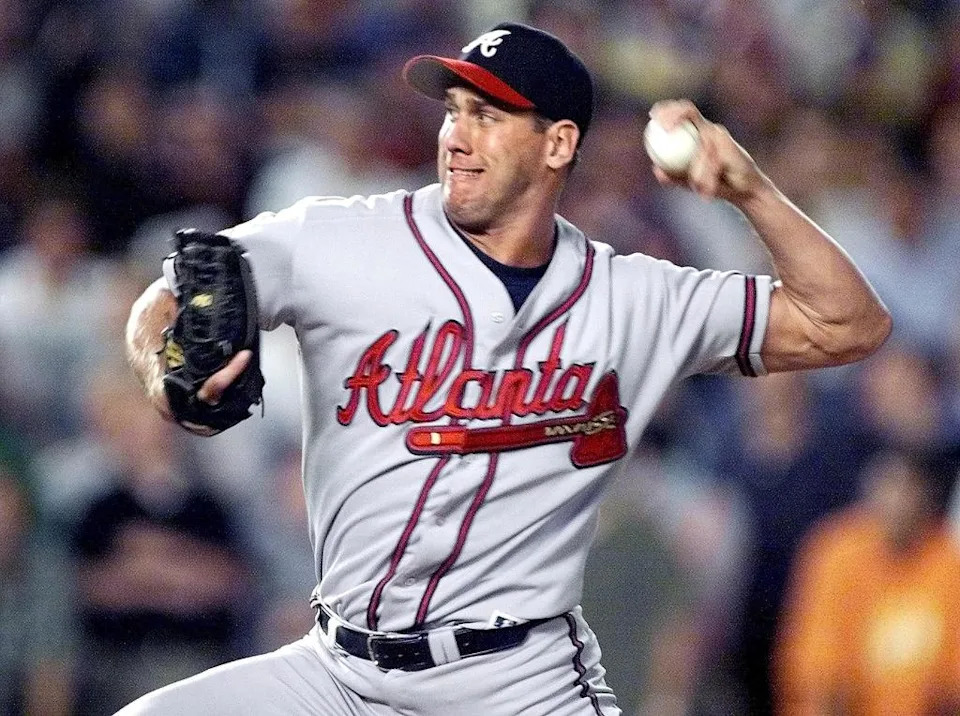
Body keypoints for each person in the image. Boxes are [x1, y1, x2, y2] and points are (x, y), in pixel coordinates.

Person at [122, 21, 891, 716]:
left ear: (558, 144)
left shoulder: (633, 298)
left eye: (486, 116)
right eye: (453, 110)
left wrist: (749, 190)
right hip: (337, 673)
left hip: (514, 684)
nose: (456, 134)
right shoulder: (337, 238)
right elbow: (173, 292)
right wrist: (165, 370)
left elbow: (847, 323)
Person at [774, 446, 960, 715]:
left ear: (928, 498)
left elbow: (952, 686)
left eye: (909, 489)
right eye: (889, 486)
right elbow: (820, 677)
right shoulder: (835, 551)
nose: (897, 501)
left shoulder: (948, 563)